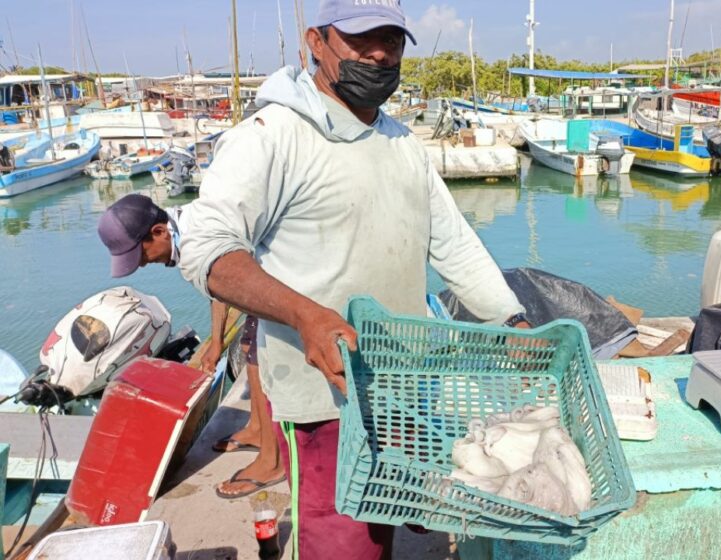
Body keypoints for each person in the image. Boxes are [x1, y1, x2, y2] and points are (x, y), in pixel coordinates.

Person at [177, 1, 530, 558]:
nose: (379, 54)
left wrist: (509, 318)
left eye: (391, 41)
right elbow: (207, 250)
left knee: (394, 517)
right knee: (343, 539)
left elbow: (453, 241)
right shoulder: (270, 135)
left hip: (404, 383)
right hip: (326, 397)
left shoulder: (402, 143)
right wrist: (306, 315)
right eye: (362, 39)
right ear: (316, 42)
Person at [96, 194, 287, 498]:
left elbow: (232, 282)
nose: (143, 264)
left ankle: (273, 461)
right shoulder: (184, 231)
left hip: (278, 273)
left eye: (141, 255)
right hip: (251, 276)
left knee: (258, 356)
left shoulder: (198, 241)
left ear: (159, 231)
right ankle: (256, 429)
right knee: (250, 345)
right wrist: (215, 344)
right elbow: (220, 290)